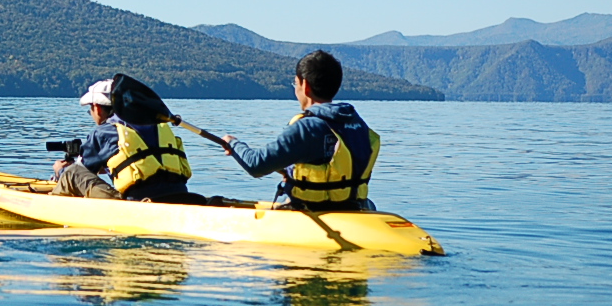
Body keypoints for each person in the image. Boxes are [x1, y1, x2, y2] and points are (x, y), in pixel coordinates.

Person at [221, 50, 380, 210]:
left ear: (305, 86)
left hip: (309, 214)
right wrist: (287, 170)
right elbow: (326, 161)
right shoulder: (357, 124)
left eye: (296, 84)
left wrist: (233, 144)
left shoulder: (306, 128)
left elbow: (256, 164)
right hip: (356, 209)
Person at [53, 78, 201, 203]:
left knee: (72, 173)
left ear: (97, 108)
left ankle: (51, 209)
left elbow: (82, 171)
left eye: (90, 110)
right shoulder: (156, 125)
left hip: (139, 203)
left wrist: (60, 170)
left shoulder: (104, 132)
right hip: (181, 197)